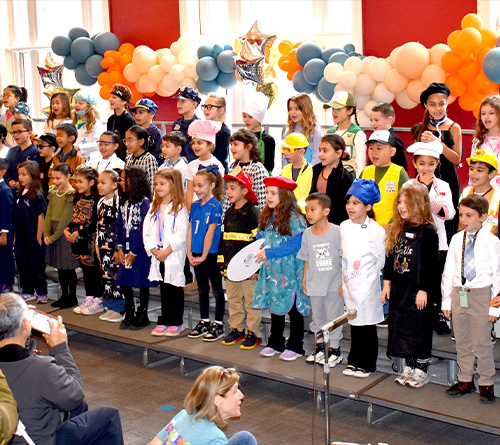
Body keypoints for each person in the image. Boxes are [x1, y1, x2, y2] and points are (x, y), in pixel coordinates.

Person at [0, 293, 124, 445]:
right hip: (39, 441)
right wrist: (60, 348)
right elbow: (75, 395)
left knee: (78, 410)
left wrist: (18, 323)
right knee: (108, 416)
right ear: (26, 324)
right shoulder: (41, 368)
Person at [442, 195, 500, 403]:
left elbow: (498, 275)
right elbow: (449, 271)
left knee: (482, 341)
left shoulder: (492, 241)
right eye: (461, 215)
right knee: (463, 340)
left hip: (481, 295)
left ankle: (486, 381)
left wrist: (494, 308)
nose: (464, 219)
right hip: (459, 293)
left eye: (469, 215)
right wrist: (446, 301)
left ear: (483, 217)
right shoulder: (457, 239)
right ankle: (465, 378)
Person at [381, 183, 439, 388]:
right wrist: (387, 283)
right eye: (399, 202)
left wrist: (424, 289)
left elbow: (432, 265)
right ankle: (409, 365)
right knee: (401, 326)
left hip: (418, 290)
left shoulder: (428, 231)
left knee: (418, 328)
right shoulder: (399, 227)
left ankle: (421, 368)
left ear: (419, 204)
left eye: (406, 202)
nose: (401, 206)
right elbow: (390, 257)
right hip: (400, 289)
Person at [253, 176, 309, 361]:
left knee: (293, 309)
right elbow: (262, 239)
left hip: (291, 271)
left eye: (273, 193)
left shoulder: (295, 219)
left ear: (284, 196)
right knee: (275, 305)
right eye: (268, 192)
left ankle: (295, 345)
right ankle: (275, 342)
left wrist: (269, 253)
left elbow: (295, 245)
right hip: (273, 272)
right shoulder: (267, 217)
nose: (269, 196)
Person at [405, 140, 456, 335]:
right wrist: (422, 189)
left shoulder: (443, 185)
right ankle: (417, 314)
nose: (427, 168)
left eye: (431, 163)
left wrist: (431, 199)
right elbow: (407, 211)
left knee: (436, 278)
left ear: (437, 164)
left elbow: (449, 213)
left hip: (438, 241)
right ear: (415, 164)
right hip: (413, 241)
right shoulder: (409, 184)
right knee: (416, 278)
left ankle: (437, 314)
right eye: (422, 163)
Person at [340, 179, 385, 377]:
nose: (350, 206)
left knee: (367, 325)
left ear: (368, 206)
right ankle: (354, 360)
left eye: (356, 203)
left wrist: (366, 278)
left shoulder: (376, 230)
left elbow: (381, 259)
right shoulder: (343, 226)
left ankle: (367, 364)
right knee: (354, 325)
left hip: (368, 285)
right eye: (349, 202)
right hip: (349, 283)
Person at [149, 366, 256, 445]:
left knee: (245, 438)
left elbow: (154, 443)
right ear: (218, 400)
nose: (241, 396)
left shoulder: (184, 415)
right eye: (235, 391)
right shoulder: (215, 439)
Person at [298, 193, 343, 367]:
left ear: (326, 211)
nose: (308, 213)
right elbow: (307, 258)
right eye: (307, 210)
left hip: (333, 284)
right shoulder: (307, 234)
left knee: (334, 317)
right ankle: (319, 348)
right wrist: (305, 278)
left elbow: (343, 258)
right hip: (315, 283)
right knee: (317, 318)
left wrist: (343, 283)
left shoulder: (337, 232)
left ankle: (335, 350)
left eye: (313, 210)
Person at [219, 169, 262, 349]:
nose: (228, 192)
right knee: (234, 299)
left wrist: (255, 269)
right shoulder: (228, 212)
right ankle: (237, 329)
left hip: (248, 269)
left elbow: (259, 243)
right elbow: (224, 239)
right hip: (231, 268)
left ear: (244, 191)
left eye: (232, 188)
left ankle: (255, 333)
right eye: (227, 188)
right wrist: (222, 262)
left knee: (251, 302)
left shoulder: (254, 214)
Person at [413, 82, 462, 241]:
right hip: (424, 180)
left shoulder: (454, 127)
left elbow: (456, 158)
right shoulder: (421, 128)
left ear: (447, 103)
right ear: (426, 106)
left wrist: (438, 142)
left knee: (447, 222)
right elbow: (416, 158)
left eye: (441, 104)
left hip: (448, 180)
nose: (437, 108)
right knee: (422, 218)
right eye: (432, 104)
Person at [144, 168, 189, 337]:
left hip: (173, 254)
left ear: (173, 184)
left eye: (162, 184)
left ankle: (176, 321)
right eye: (156, 184)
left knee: (175, 287)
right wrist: (153, 249)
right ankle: (165, 319)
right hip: (158, 253)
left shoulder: (180, 208)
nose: (158, 187)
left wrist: (167, 251)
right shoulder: (153, 206)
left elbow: (181, 233)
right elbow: (146, 231)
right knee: (163, 287)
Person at [187, 167, 225, 341]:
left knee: (216, 288)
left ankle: (219, 323)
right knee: (202, 287)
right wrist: (189, 252)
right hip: (196, 251)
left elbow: (210, 233)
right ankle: (204, 321)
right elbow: (189, 229)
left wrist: (204, 255)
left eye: (200, 186)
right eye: (195, 186)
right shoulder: (195, 205)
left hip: (210, 253)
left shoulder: (215, 206)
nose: (196, 189)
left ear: (212, 185)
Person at [115, 166, 155, 329]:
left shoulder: (145, 203)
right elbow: (119, 226)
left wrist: (134, 251)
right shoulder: (124, 203)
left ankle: (143, 312)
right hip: (125, 248)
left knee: (141, 281)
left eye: (125, 179)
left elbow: (144, 230)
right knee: (125, 280)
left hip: (140, 250)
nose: (122, 183)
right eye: (122, 179)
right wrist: (119, 248)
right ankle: (129, 310)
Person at [65, 168, 103, 315]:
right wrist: (68, 230)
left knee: (94, 271)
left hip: (91, 241)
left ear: (91, 182)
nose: (77, 185)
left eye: (81, 182)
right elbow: (75, 218)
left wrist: (79, 233)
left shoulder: (97, 200)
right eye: (76, 181)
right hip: (78, 241)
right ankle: (89, 296)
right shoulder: (79, 198)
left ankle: (98, 300)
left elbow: (94, 223)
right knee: (85, 270)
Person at [44, 163, 80, 308]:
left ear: (68, 177)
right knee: (60, 267)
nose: (55, 182)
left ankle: (72, 297)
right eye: (53, 178)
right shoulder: (53, 193)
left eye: (58, 178)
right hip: (54, 231)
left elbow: (66, 218)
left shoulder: (71, 195)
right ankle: (64, 295)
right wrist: (46, 233)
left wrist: (53, 236)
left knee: (68, 267)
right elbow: (48, 214)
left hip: (64, 233)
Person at [13, 160, 47, 303]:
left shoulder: (37, 195)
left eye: (24, 174)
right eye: (19, 174)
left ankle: (41, 291)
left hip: (32, 235)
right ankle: (27, 290)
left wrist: (38, 236)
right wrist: (15, 236)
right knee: (22, 263)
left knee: (35, 264)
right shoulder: (20, 193)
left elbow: (40, 216)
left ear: (33, 175)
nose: (20, 178)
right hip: (21, 235)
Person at [360, 130, 409, 228]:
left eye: (379, 148)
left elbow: (409, 202)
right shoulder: (365, 172)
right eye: (371, 148)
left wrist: (392, 224)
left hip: (391, 229)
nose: (374, 152)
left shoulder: (399, 173)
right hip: (367, 228)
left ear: (392, 151)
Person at [96, 169, 124, 322]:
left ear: (114, 185)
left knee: (116, 275)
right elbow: (98, 226)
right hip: (102, 244)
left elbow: (120, 227)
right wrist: (96, 244)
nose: (99, 186)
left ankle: (120, 307)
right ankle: (110, 305)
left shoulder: (119, 202)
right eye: (98, 182)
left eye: (103, 183)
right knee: (105, 275)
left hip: (114, 246)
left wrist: (119, 248)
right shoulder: (100, 202)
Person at [310, 134, 353, 225]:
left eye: (325, 151)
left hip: (336, 224)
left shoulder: (345, 176)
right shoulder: (316, 170)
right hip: (316, 223)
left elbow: (346, 205)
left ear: (338, 153)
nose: (321, 154)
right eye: (320, 150)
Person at [223, 129, 267, 213]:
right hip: (236, 217)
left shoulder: (257, 168)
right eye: (231, 144)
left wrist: (261, 221)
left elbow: (263, 200)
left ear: (248, 147)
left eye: (236, 144)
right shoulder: (233, 168)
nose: (232, 148)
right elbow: (227, 200)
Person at [185, 120, 225, 211]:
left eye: (199, 143)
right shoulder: (191, 165)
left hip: (211, 210)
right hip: (195, 209)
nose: (195, 146)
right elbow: (189, 191)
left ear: (210, 145)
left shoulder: (217, 165)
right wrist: (189, 211)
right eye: (193, 143)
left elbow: (219, 192)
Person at [325, 91, 367, 177]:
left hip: (350, 183)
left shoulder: (357, 133)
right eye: (333, 109)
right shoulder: (329, 133)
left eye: (338, 109)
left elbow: (361, 164)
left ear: (350, 110)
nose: (334, 112)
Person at [459, 147, 500, 235]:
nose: (473, 173)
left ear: (492, 174)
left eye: (479, 170)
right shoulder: (465, 193)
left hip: (491, 245)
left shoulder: (497, 196)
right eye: (471, 169)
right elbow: (460, 224)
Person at [284, 93, 323, 165]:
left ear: (306, 110)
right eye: (290, 109)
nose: (292, 112)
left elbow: (317, 159)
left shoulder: (316, 131)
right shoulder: (289, 131)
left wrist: (307, 174)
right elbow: (285, 157)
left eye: (297, 109)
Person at [242, 92, 275, 173]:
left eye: (250, 117)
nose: (246, 120)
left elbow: (269, 166)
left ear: (259, 119)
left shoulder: (268, 140)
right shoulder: (243, 138)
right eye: (244, 116)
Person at [280, 133, 313, 212]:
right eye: (283, 149)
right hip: (286, 214)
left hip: (305, 215)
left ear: (302, 151)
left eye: (289, 150)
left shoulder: (311, 171)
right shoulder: (285, 170)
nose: (285, 153)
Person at [370, 102, 407, 170]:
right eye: (371, 120)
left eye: (376, 120)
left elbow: (403, 166)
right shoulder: (372, 138)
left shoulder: (395, 140)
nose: (372, 123)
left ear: (389, 120)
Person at [5, 119, 39, 190]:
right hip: (13, 192)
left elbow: (36, 175)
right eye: (13, 132)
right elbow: (6, 170)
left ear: (29, 133)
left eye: (19, 132)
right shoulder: (11, 151)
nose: (15, 135)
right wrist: (9, 180)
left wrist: (23, 183)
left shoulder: (36, 152)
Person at [72, 91, 105, 164]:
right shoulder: (74, 123)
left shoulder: (97, 125)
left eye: (80, 103)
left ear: (89, 106)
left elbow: (97, 144)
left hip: (90, 160)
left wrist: (79, 147)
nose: (77, 105)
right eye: (76, 102)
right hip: (74, 159)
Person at [124, 125, 159, 194]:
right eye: (126, 140)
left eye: (130, 140)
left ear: (141, 142)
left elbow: (152, 184)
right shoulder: (128, 159)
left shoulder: (148, 159)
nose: (127, 144)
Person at [49, 123, 86, 188]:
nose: (57, 138)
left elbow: (81, 178)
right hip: (57, 193)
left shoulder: (78, 157)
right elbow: (50, 175)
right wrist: (52, 189)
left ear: (71, 138)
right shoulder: (56, 157)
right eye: (57, 136)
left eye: (60, 136)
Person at [172, 86, 201, 162]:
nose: (179, 104)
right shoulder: (176, 124)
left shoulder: (200, 125)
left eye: (183, 101)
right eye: (178, 100)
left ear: (194, 104)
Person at [203, 94, 230, 173]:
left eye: (210, 106)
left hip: (217, 173)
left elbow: (221, 158)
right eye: (205, 106)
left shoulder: (224, 132)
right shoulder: (204, 128)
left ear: (221, 110)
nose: (206, 110)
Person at [107, 84, 135, 159]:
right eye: (110, 97)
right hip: (112, 157)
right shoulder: (111, 119)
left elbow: (131, 142)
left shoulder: (129, 120)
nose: (110, 99)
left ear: (123, 102)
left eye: (114, 97)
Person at [132, 98, 163, 164]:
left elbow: (160, 153)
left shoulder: (155, 132)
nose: (137, 116)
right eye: (136, 113)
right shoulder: (135, 130)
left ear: (151, 114)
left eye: (141, 112)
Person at [471, 96, 500, 166]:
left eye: (491, 113)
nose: (486, 116)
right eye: (483, 113)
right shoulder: (478, 140)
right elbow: (474, 168)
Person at [0, 158, 15, 294]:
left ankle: (7, 284)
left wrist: (4, 232)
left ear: (3, 171)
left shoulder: (5, 190)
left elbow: (7, 212)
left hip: (3, 230)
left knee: (5, 257)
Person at [33, 132, 57, 197]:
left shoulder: (56, 164)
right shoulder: (38, 161)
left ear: (52, 148)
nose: (38, 148)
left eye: (41, 146)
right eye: (38, 146)